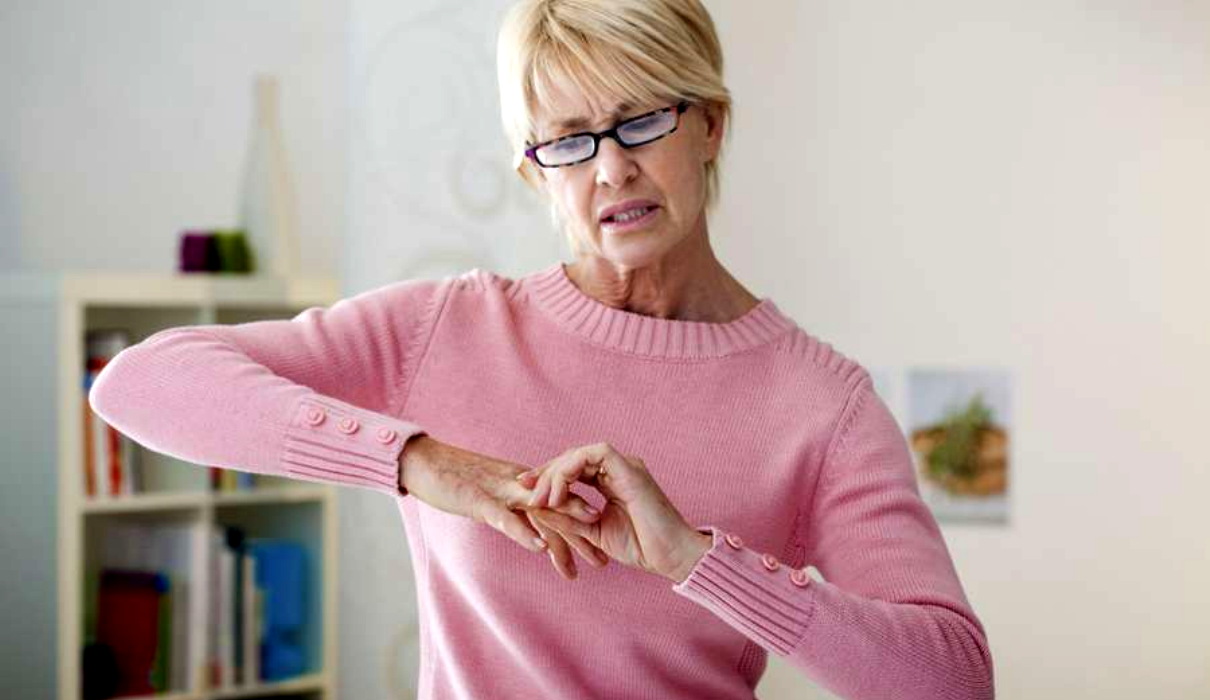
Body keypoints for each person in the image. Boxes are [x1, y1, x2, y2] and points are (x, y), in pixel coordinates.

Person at [88, 0, 995, 697]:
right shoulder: (443, 330)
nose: (611, 170)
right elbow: (140, 382)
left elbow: (953, 679)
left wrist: (694, 561)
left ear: (711, 123)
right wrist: (421, 462)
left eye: (643, 119)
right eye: (569, 141)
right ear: (534, 172)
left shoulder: (820, 404)